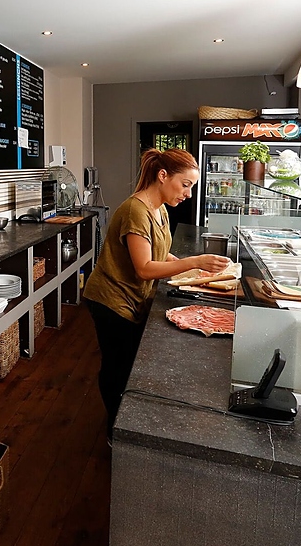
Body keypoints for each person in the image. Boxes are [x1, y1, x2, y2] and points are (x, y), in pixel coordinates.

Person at [83, 147, 231, 436]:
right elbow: (145, 268)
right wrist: (195, 262)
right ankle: (115, 431)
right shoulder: (136, 211)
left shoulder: (159, 208)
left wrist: (196, 273)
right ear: (163, 175)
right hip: (111, 300)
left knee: (127, 364)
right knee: (117, 367)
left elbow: (160, 255)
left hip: (133, 298)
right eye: (185, 184)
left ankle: (122, 423)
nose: (188, 194)